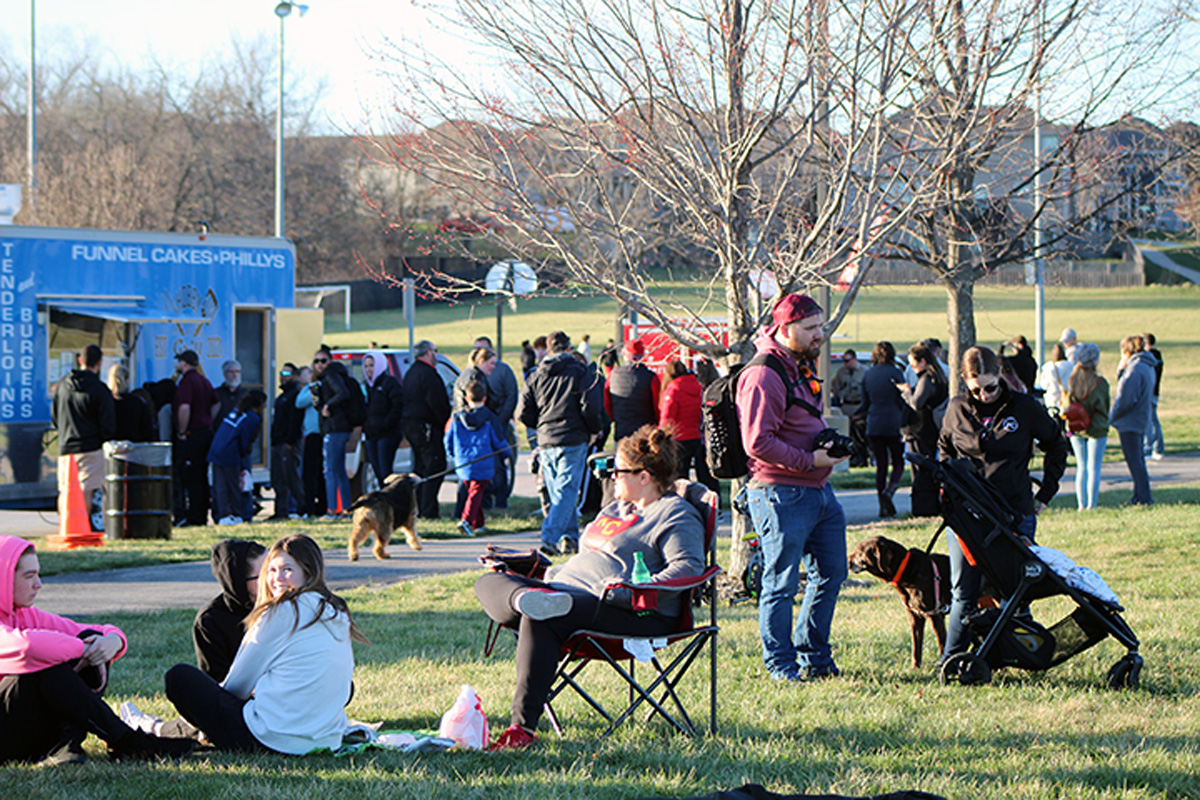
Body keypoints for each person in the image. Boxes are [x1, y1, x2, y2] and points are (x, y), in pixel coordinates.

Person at [475, 425, 705, 749]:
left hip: (623, 609)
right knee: (489, 580)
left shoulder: (674, 514)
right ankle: (525, 598)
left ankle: (521, 730)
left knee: (545, 614)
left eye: (619, 470)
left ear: (644, 476)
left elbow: (688, 568)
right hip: (565, 590)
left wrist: (631, 590)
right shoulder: (617, 508)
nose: (612, 476)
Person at [0, 535, 194, 765]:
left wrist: (112, 641)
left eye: (38, 574)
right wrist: (83, 649)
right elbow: (26, 646)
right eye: (29, 576)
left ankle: (66, 746)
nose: (38, 584)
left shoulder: (24, 614)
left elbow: (93, 631)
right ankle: (129, 742)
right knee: (44, 664)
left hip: (26, 731)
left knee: (89, 641)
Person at [737, 294, 850, 681]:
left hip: (818, 491)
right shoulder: (764, 374)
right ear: (785, 330)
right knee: (781, 582)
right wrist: (809, 460)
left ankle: (815, 658)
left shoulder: (798, 365)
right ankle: (781, 665)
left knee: (832, 573)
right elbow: (757, 442)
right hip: (780, 491)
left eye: (821, 326)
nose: (820, 335)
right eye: (810, 329)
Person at [164, 534, 363, 754]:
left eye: (287, 569)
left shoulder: (282, 612)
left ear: (308, 572)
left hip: (271, 739)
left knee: (179, 678)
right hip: (328, 738)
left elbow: (236, 686)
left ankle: (186, 731)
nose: (277, 578)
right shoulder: (337, 610)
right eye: (271, 570)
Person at [938, 346, 1069, 661]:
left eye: (990, 387)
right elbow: (943, 448)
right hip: (967, 516)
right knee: (963, 592)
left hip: (1013, 511)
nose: (984, 394)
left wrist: (1045, 493)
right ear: (964, 381)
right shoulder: (956, 409)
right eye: (976, 388)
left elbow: (1056, 444)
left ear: (1000, 375)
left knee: (1016, 591)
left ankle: (1020, 655)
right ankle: (953, 659)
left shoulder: (1023, 408)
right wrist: (947, 488)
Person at [518, 331, 603, 556]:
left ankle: (570, 538)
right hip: (572, 437)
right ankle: (551, 537)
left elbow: (523, 411)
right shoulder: (581, 372)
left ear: (548, 349)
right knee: (566, 491)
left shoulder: (536, 375)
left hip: (547, 438)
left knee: (561, 492)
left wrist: (539, 425)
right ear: (568, 348)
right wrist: (594, 429)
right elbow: (591, 406)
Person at [51, 345, 116, 532]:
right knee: (89, 488)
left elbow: (55, 417)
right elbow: (108, 424)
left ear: (80, 360)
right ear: (99, 363)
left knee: (66, 489)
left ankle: (66, 524)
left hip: (65, 447)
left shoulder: (63, 385)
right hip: (90, 447)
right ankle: (83, 526)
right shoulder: (100, 389)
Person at [193, 539, 268, 681]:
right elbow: (216, 682)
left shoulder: (288, 605)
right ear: (238, 582)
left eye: (273, 570)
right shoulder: (211, 620)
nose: (274, 579)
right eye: (263, 576)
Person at [445, 380, 508, 536]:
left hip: (463, 462)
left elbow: (448, 440)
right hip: (483, 462)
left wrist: (453, 454)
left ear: (466, 398)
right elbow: (498, 440)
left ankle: (478, 524)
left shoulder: (457, 417)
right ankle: (466, 521)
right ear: (485, 398)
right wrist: (506, 453)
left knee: (473, 492)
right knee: (476, 493)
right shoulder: (490, 418)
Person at [401, 340, 452, 519]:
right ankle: (428, 510)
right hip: (427, 428)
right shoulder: (428, 374)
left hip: (414, 427)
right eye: (435, 351)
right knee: (434, 467)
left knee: (421, 468)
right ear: (428, 353)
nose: (436, 354)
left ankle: (420, 508)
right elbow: (437, 403)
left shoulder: (411, 373)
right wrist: (444, 420)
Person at [900, 343, 949, 517]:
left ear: (922, 362)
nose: (912, 369)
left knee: (920, 469)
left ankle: (923, 506)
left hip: (921, 429)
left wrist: (907, 392)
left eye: (913, 364)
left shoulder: (927, 378)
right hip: (931, 428)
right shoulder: (939, 377)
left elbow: (917, 403)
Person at [858, 341, 906, 518]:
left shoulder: (868, 375)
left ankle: (882, 504)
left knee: (881, 465)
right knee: (898, 462)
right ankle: (890, 490)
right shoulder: (896, 373)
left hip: (875, 422)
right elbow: (902, 400)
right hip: (893, 422)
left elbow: (864, 403)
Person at [473, 336, 520, 509]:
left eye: (483, 349)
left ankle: (501, 501)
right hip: (481, 426)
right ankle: (484, 502)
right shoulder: (473, 372)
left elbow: (511, 396)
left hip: (499, 424)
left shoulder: (502, 370)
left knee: (500, 466)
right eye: (476, 348)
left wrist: (500, 420)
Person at [174, 349, 219, 527]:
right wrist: (208, 420)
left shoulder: (187, 381)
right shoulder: (203, 380)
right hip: (206, 432)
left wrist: (182, 431)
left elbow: (184, 408)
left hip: (193, 434)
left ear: (184, 363)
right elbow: (217, 403)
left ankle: (194, 516)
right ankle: (201, 514)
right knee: (202, 475)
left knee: (191, 476)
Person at [1109, 335, 1156, 506]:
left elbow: (1126, 398)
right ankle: (1141, 494)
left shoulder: (1134, 369)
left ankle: (1143, 497)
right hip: (1141, 417)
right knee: (1138, 460)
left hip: (1130, 421)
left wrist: (1112, 416)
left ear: (1126, 351)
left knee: (1134, 461)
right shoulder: (1147, 366)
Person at [207, 391, 266, 525]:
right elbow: (245, 440)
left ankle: (223, 515)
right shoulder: (252, 418)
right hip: (230, 453)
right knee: (234, 485)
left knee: (220, 486)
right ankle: (236, 514)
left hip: (216, 451)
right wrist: (243, 456)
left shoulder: (236, 412)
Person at [312, 348, 357, 518]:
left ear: (330, 361)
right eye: (317, 361)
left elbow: (342, 393)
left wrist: (328, 405)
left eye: (323, 361)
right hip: (338, 428)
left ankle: (332, 510)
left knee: (330, 470)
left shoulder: (331, 375)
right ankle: (346, 509)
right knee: (338, 471)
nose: (320, 365)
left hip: (335, 428)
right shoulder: (325, 378)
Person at [1063, 343, 1109, 510]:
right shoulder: (1100, 383)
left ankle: (1081, 505)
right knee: (1094, 467)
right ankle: (1092, 504)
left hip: (1076, 428)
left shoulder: (1073, 380)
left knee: (1081, 467)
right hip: (1096, 429)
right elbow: (1104, 407)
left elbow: (1067, 405)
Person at [659, 359, 716, 491]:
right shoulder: (696, 387)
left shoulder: (673, 389)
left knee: (678, 476)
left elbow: (668, 417)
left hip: (678, 438)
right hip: (694, 435)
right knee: (700, 473)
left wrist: (661, 434)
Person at [604, 338, 662, 445]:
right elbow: (658, 407)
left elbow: (607, 404)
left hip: (622, 431)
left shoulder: (613, 375)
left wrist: (617, 418)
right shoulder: (651, 378)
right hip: (645, 433)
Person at [362, 350, 404, 487]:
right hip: (371, 435)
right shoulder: (367, 387)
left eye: (372, 365)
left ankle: (390, 501)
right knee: (378, 472)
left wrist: (387, 423)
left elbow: (398, 405)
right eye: (366, 366)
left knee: (386, 472)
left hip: (387, 434)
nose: (369, 369)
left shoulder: (389, 383)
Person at [268, 364, 305, 520]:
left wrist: (289, 441)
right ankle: (280, 511)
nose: (282, 376)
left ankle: (299, 508)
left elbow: (295, 422)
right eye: (281, 373)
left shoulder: (294, 396)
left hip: (288, 443)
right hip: (277, 442)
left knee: (290, 478)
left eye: (286, 373)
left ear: (295, 377)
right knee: (278, 478)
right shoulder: (281, 398)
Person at [294, 365, 326, 518]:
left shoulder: (322, 386)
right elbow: (299, 402)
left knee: (317, 473)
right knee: (310, 473)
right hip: (311, 434)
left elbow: (304, 401)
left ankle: (319, 507)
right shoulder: (310, 388)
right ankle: (310, 506)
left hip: (320, 433)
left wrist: (313, 387)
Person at [831, 348, 868, 467]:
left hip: (859, 406)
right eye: (844, 361)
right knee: (848, 435)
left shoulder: (864, 371)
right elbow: (836, 389)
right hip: (846, 406)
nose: (846, 364)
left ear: (854, 359)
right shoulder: (841, 372)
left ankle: (862, 458)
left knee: (860, 435)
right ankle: (851, 459)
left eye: (848, 360)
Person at [106, 363, 155, 443]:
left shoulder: (105, 402)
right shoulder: (138, 402)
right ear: (127, 381)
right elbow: (148, 431)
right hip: (134, 449)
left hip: (112, 450)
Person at [1142, 333, 1164, 460]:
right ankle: (1156, 447)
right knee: (1153, 420)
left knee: (1150, 421)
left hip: (1149, 392)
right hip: (1155, 391)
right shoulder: (1158, 356)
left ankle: (1150, 447)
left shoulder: (1150, 358)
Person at [1037, 342, 1074, 412]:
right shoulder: (1071, 367)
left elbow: (1044, 385)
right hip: (1067, 400)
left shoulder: (1048, 368)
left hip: (1052, 400)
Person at [214, 360, 248, 426]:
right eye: (231, 372)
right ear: (224, 374)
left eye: (237, 372)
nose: (235, 375)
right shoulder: (216, 393)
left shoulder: (246, 394)